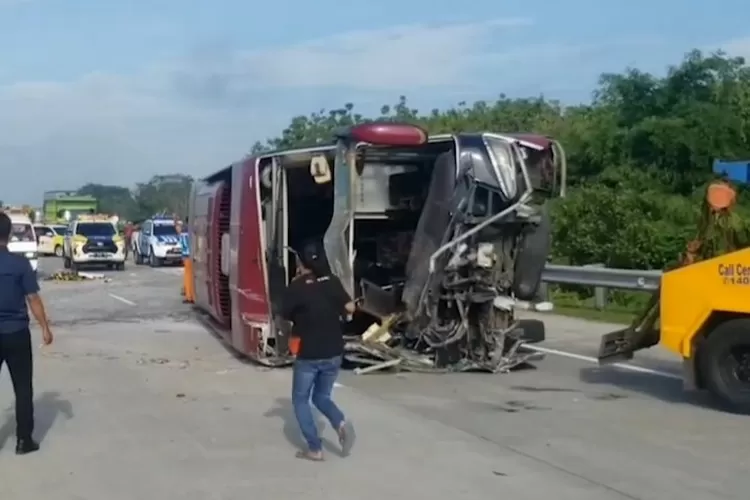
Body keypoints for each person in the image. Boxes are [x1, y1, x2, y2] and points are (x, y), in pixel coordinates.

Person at [280, 241, 356, 461]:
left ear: (301, 263)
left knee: (301, 400)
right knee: (322, 396)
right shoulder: (331, 281)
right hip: (334, 351)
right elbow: (351, 307)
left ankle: (315, 448)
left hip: (310, 354)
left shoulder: (297, 286)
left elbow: (284, 314)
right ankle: (340, 423)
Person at [0, 211, 53, 455]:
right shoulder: (20, 264)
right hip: (17, 333)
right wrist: (44, 327)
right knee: (22, 388)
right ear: (9, 234)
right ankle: (24, 441)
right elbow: (33, 298)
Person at [177, 219, 194, 303]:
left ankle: (189, 296)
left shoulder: (183, 234)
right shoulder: (192, 232)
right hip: (192, 256)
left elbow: (182, 245)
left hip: (186, 256)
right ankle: (191, 295)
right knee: (191, 277)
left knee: (187, 277)